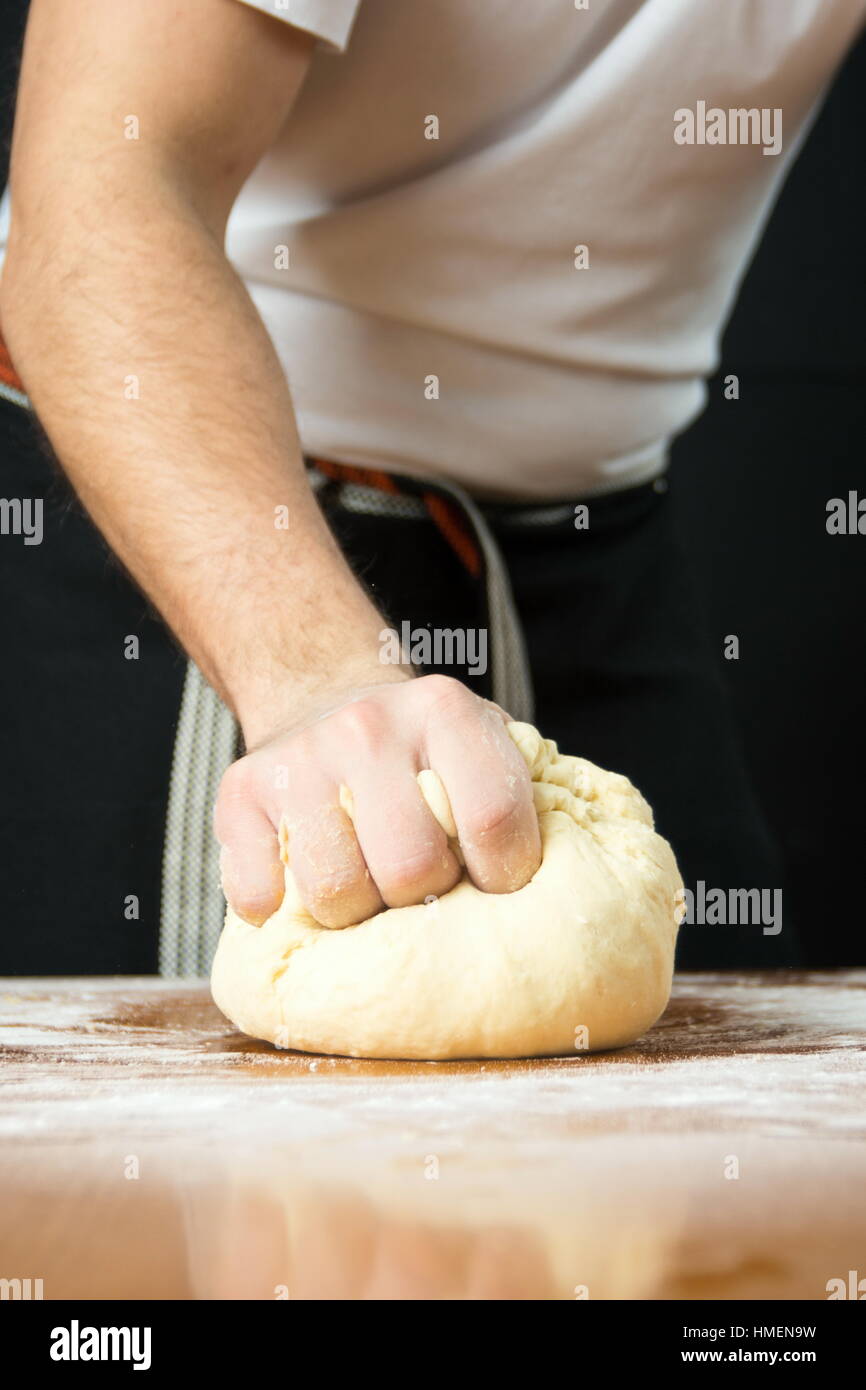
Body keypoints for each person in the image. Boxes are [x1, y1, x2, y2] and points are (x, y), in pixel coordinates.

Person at [1, 0, 862, 977]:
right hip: (221, 540)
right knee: (231, 1117)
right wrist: (314, 679)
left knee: (720, 1090)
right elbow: (99, 194)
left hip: (594, 557)